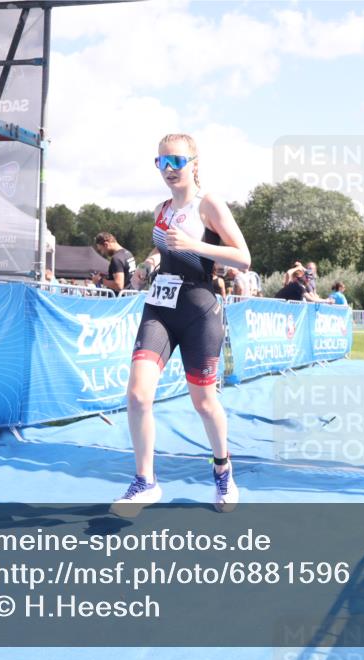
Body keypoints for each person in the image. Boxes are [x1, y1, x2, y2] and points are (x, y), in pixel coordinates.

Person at [112, 133, 250, 517]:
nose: (169, 170)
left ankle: (223, 470)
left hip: (199, 310)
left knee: (204, 403)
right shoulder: (161, 209)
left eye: (177, 161)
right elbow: (162, 248)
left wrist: (195, 245)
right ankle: (145, 481)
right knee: (138, 395)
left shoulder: (209, 205)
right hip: (159, 307)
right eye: (162, 163)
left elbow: (244, 257)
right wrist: (148, 265)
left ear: (194, 163)